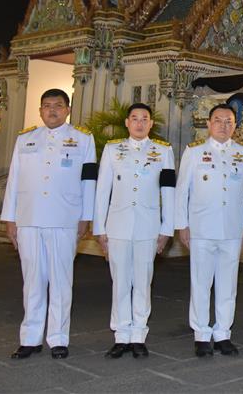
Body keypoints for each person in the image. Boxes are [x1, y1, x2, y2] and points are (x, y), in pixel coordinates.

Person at [0, 89, 98, 360]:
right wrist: (10, 218)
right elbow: (14, 180)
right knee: (32, 281)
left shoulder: (83, 139)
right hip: (29, 218)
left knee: (61, 281)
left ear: (68, 109)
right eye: (46, 106)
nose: (52, 110)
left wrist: (86, 216)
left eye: (58, 105)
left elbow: (89, 180)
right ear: (40, 110)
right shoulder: (26, 138)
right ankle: (30, 338)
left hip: (64, 218)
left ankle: (58, 338)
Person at [93, 103, 175, 359]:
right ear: (127, 123)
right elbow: (102, 191)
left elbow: (168, 192)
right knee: (120, 282)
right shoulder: (112, 149)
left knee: (142, 282)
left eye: (145, 119)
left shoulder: (163, 151)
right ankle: (121, 335)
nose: (140, 123)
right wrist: (100, 228)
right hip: (117, 225)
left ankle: (138, 335)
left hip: (148, 226)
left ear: (151, 124)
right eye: (135, 118)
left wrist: (166, 229)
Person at [174, 104, 243, 357]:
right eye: (218, 120)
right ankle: (201, 333)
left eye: (229, 121)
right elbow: (181, 191)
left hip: (232, 227)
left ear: (235, 126)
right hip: (201, 227)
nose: (223, 125)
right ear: (208, 124)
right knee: (201, 282)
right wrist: (182, 224)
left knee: (228, 284)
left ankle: (222, 333)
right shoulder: (194, 152)